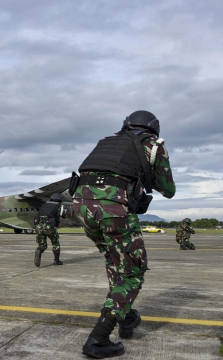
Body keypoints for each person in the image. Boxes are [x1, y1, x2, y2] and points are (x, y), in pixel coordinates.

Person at [71, 110, 175, 358]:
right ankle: (99, 338)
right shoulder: (153, 145)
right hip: (112, 209)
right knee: (132, 272)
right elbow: (168, 189)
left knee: (115, 261)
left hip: (80, 207)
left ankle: (126, 317)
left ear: (125, 125)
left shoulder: (106, 142)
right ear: (154, 128)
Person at [34, 193, 64, 267]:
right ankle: (56, 261)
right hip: (49, 226)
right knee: (55, 243)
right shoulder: (58, 205)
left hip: (38, 226)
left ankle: (39, 251)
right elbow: (62, 215)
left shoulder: (44, 205)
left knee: (42, 245)